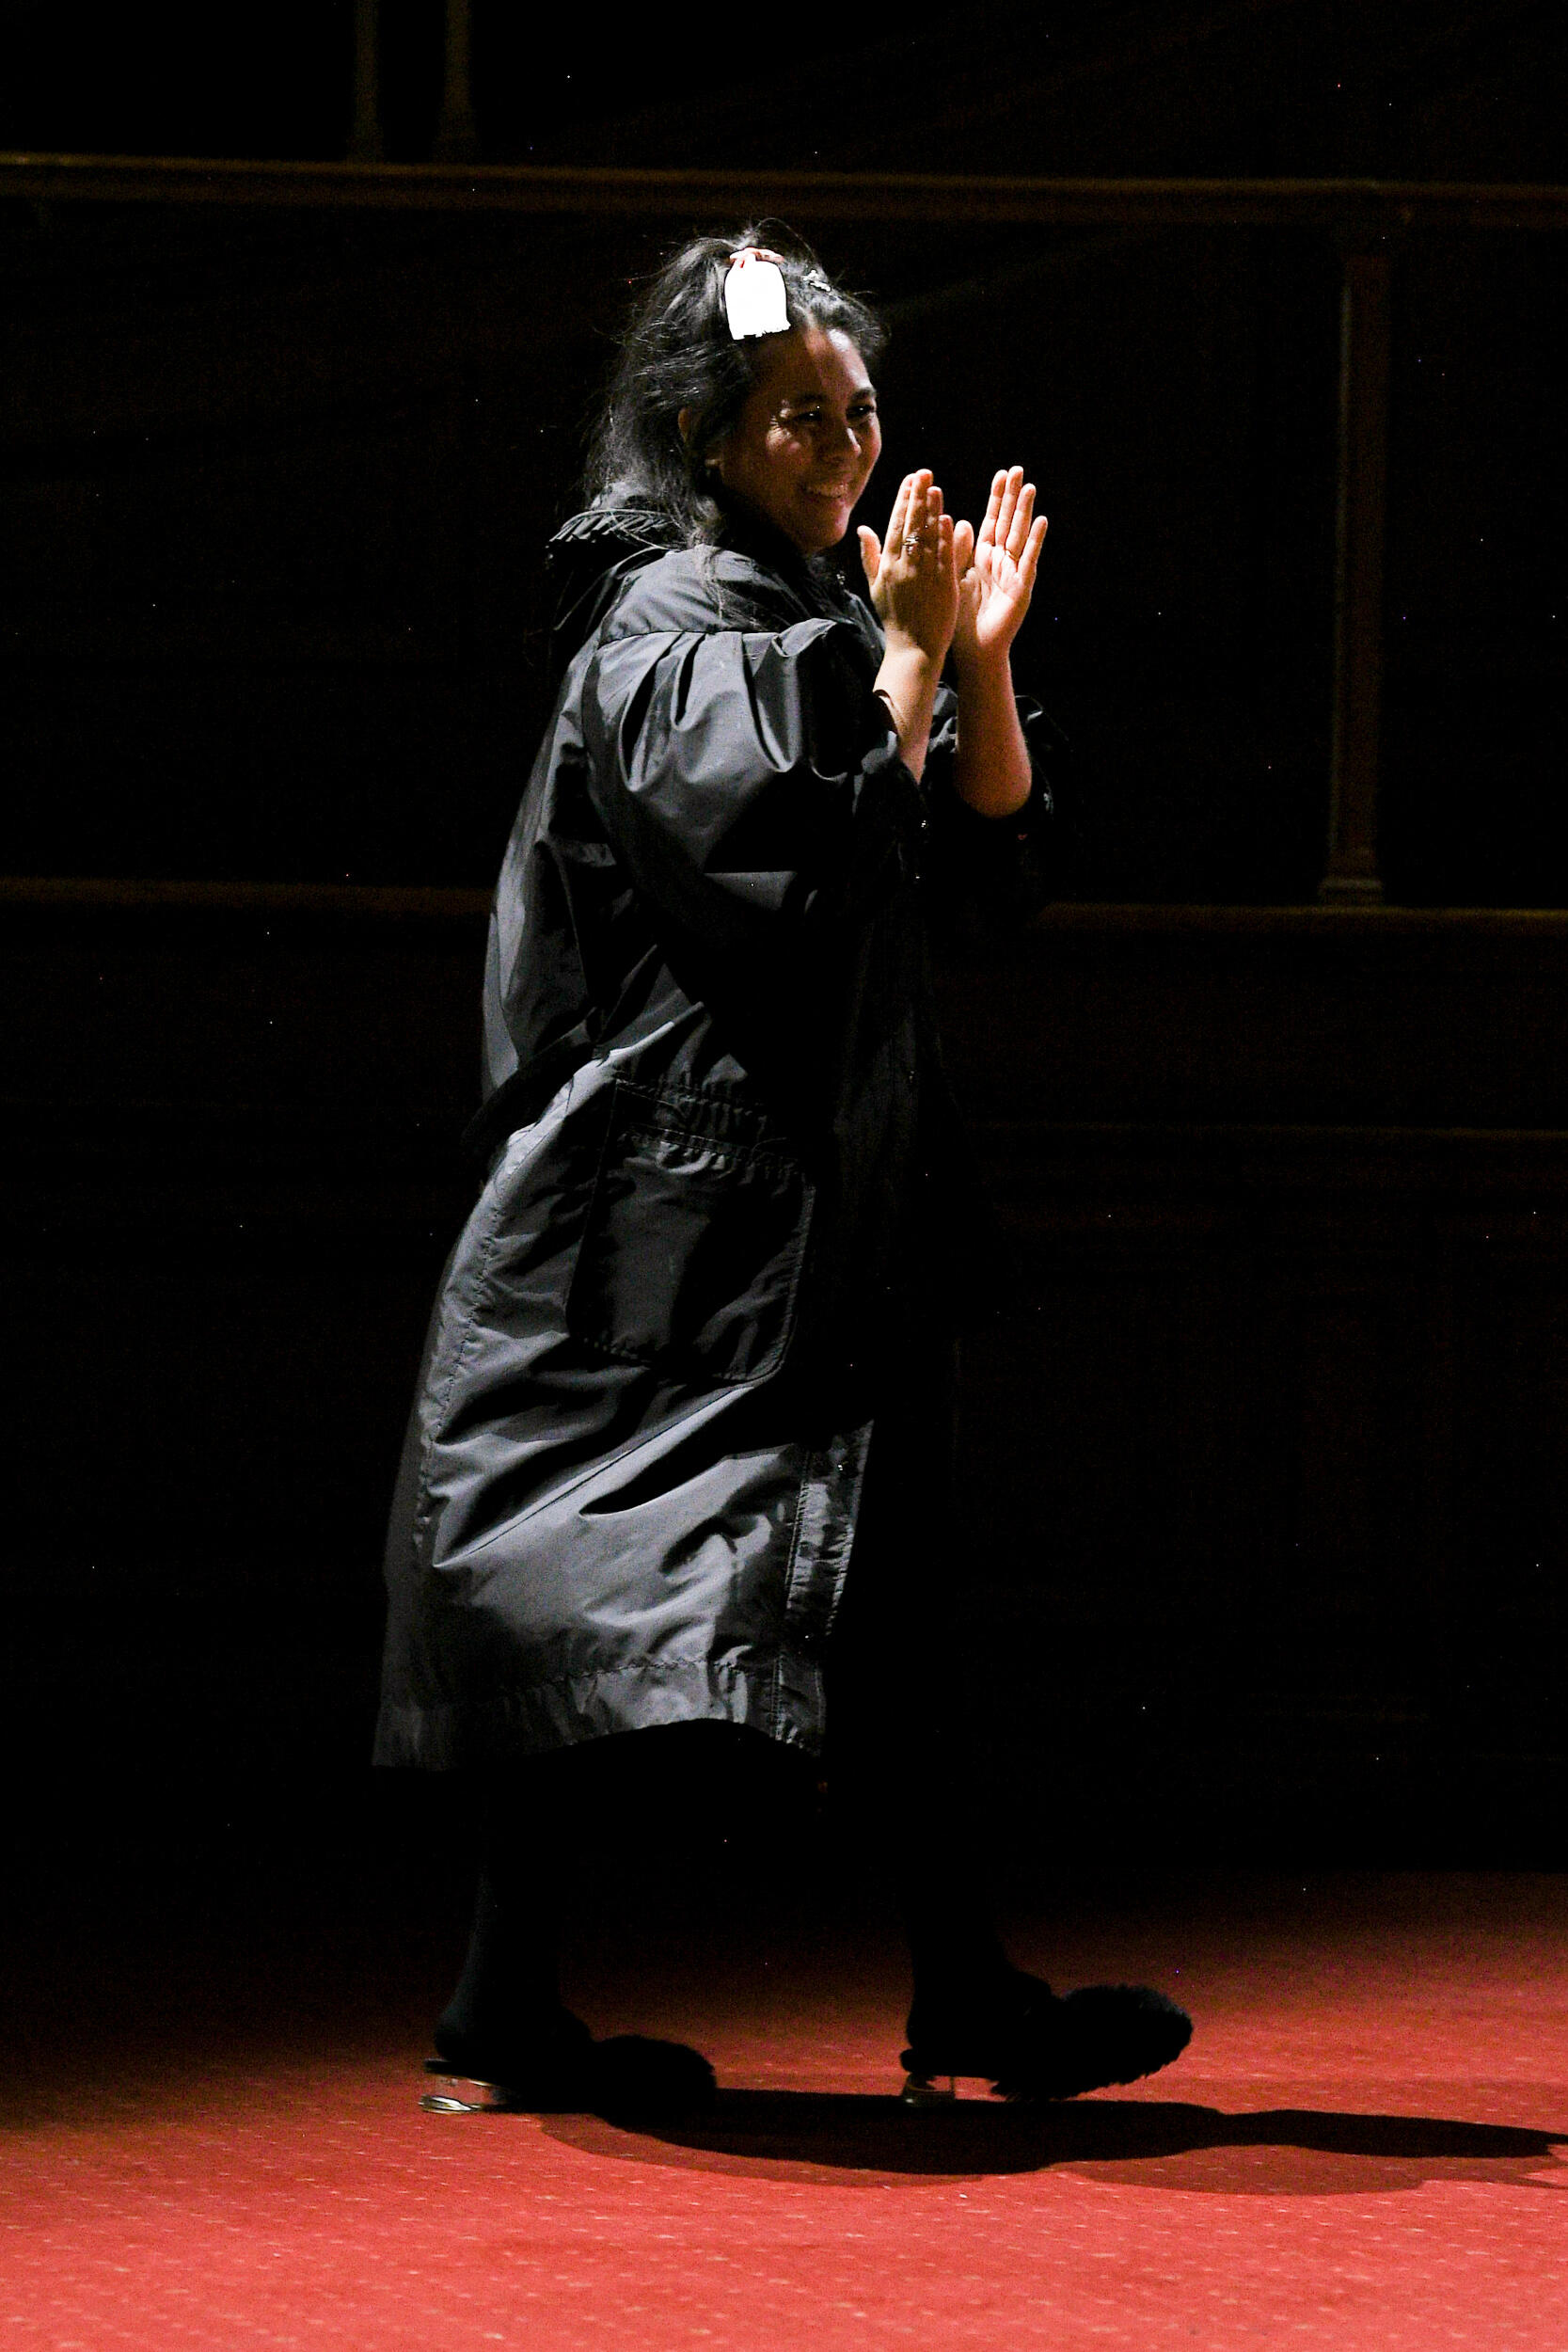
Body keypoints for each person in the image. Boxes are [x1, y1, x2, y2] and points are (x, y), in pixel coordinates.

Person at [375, 229, 1191, 2116]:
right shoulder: (672, 623)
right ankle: (505, 2002)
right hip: (667, 1201)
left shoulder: (825, 608)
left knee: (894, 1594)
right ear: (706, 434)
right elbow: (796, 874)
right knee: (579, 1577)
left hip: (818, 1191)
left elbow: (978, 870)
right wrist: (905, 653)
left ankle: (953, 1987)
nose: (842, 445)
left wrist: (977, 662)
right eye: (798, 415)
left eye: (858, 411)